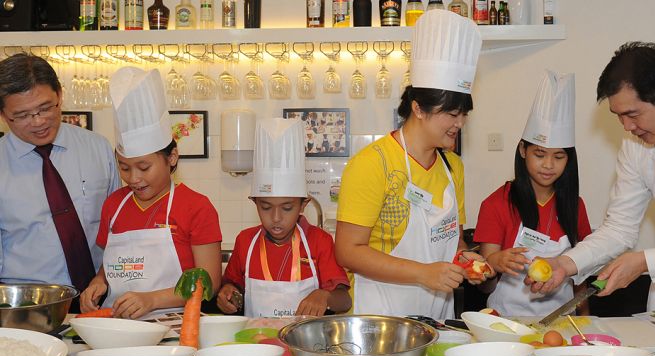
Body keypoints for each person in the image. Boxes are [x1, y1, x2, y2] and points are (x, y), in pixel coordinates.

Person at [334, 10, 492, 318]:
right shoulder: (372, 164)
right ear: (418, 108)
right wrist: (422, 273)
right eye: (451, 113)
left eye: (463, 115)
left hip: (437, 319)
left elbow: (453, 243)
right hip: (379, 321)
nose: (459, 123)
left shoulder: (452, 167)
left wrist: (471, 263)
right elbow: (348, 251)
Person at [528, 42, 655, 310]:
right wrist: (566, 263)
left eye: (633, 114)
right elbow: (620, 227)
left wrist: (646, 261)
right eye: (619, 117)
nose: (628, 127)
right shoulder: (635, 145)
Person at [79, 67, 221, 319]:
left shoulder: (196, 207)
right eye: (124, 167)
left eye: (144, 167)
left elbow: (209, 282)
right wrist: (99, 281)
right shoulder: (114, 204)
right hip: (118, 324)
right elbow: (112, 265)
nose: (133, 178)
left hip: (175, 325)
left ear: (172, 157)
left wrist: (152, 300)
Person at [0, 54, 119, 306]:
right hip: (25, 306)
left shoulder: (97, 149)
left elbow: (119, 227)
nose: (38, 121)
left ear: (60, 95)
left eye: (45, 107)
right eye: (22, 115)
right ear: (3, 115)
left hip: (99, 299)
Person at [474, 70, 592, 316]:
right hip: (505, 323)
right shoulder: (496, 204)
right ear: (523, 150)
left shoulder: (574, 205)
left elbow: (581, 274)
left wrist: (585, 320)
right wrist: (495, 263)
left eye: (559, 157)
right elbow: (485, 285)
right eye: (540, 154)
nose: (549, 165)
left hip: (562, 323)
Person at [217, 118, 351, 318]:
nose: (276, 218)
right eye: (265, 207)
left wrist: (325, 296)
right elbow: (232, 285)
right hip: (256, 344)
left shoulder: (319, 241)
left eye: (287, 208)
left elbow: (344, 301)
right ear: (255, 203)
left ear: (302, 206)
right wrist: (227, 293)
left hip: (304, 345)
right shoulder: (245, 241)